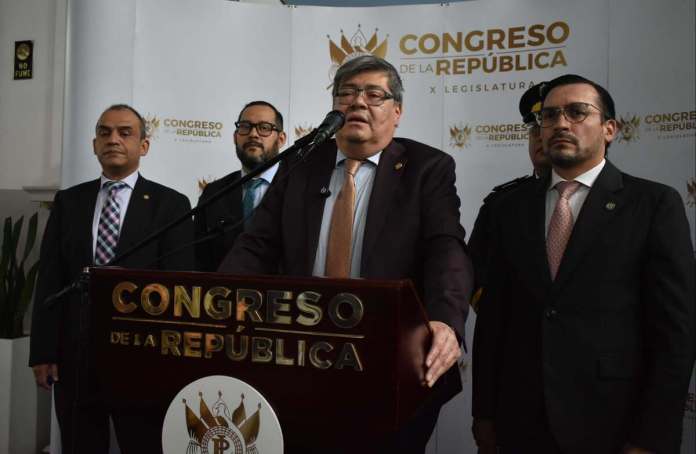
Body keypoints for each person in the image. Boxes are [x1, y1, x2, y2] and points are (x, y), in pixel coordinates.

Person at [219, 55, 472, 453]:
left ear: (397, 112)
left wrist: (445, 321)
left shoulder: (427, 167)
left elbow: (446, 248)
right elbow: (257, 245)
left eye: (374, 94)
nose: (358, 103)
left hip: (392, 361)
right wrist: (221, 302)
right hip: (304, 359)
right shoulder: (299, 165)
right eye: (347, 94)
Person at [472, 74, 695, 454]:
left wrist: (651, 436)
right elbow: (493, 321)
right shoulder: (508, 208)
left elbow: (675, 332)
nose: (560, 123)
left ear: (609, 129)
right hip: (519, 421)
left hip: (613, 423)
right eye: (550, 116)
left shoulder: (653, 204)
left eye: (577, 112)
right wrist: (485, 415)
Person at [29, 104, 195, 453]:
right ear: (94, 144)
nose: (113, 139)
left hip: (142, 358)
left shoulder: (171, 205)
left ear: (144, 146)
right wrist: (43, 351)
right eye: (104, 133)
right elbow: (50, 279)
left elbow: (180, 287)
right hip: (75, 357)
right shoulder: (69, 201)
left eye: (125, 132)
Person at [468, 82, 551, 309]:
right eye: (534, 130)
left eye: (547, 128)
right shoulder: (500, 203)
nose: (539, 138)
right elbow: (474, 270)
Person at [194, 100, 286, 271]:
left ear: (281, 139)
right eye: (245, 127)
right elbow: (200, 260)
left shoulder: (297, 189)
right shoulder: (214, 193)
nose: (253, 134)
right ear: (235, 137)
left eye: (264, 128)